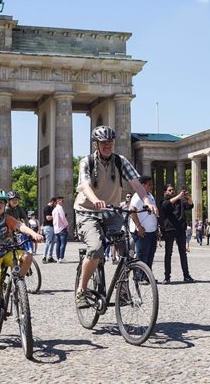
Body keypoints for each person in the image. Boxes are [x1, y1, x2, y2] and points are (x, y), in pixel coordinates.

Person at [75, 125, 153, 308]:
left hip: (111, 211)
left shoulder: (120, 161)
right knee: (95, 248)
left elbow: (136, 183)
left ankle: (123, 290)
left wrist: (147, 201)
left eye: (109, 142)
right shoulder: (86, 162)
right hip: (88, 211)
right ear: (96, 144)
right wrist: (95, 200)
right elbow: (85, 186)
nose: (107, 146)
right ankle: (82, 290)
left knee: (128, 248)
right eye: (103, 143)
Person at [0, 188, 43, 338]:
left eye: (1, 202)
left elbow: (21, 226)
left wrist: (34, 234)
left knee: (27, 256)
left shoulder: (8, 218)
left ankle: (18, 279)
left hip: (8, 250)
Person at [159, 184, 195, 284]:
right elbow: (165, 206)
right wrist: (179, 196)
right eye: (170, 190)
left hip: (180, 229)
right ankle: (167, 277)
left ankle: (186, 275)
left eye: (173, 190)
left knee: (183, 253)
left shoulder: (180, 201)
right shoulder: (164, 201)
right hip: (169, 229)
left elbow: (190, 206)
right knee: (168, 253)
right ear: (165, 192)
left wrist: (188, 197)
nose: (172, 192)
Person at [129, 175, 159, 273]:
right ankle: (139, 276)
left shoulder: (150, 195)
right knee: (141, 255)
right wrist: (139, 227)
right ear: (142, 185)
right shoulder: (137, 196)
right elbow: (132, 211)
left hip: (152, 231)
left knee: (150, 254)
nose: (152, 186)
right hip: (142, 232)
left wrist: (157, 228)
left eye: (152, 184)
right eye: (149, 184)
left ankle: (147, 276)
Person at [52, 196, 69, 263]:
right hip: (62, 228)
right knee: (63, 244)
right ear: (58, 201)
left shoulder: (54, 209)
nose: (63, 202)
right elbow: (63, 217)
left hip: (56, 229)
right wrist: (67, 225)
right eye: (62, 201)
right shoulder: (60, 208)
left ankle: (58, 258)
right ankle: (61, 258)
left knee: (58, 244)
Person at [41, 197, 56, 263]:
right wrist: (56, 216)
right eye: (55, 203)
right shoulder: (47, 208)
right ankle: (44, 257)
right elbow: (48, 218)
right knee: (48, 242)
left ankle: (50, 257)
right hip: (48, 227)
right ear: (52, 201)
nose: (55, 204)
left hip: (52, 226)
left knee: (53, 242)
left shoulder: (52, 208)